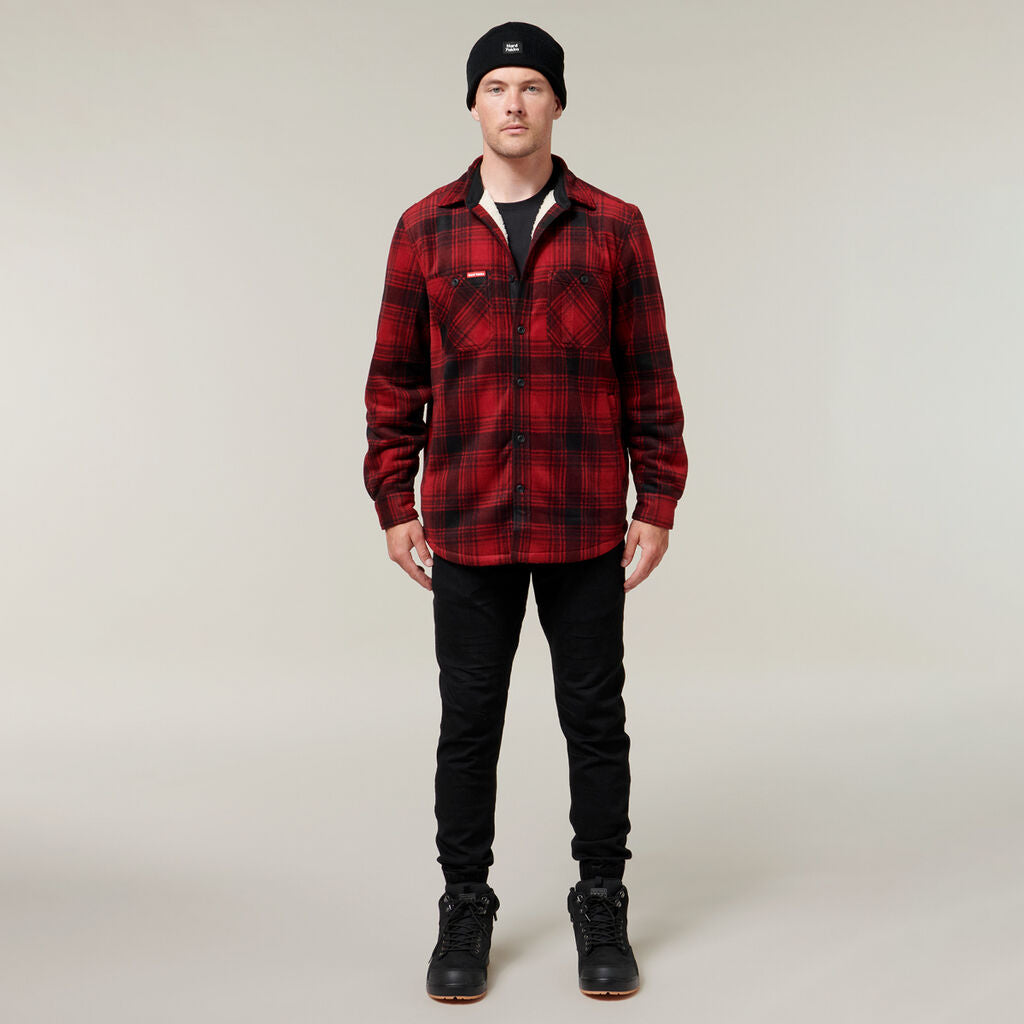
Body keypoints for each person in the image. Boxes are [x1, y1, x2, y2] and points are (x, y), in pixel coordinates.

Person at [362, 21, 687, 1002]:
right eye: (497, 87)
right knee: (469, 722)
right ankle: (465, 903)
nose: (513, 102)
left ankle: (602, 900)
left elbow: (649, 373)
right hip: (466, 520)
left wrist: (658, 496)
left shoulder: (613, 226)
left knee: (594, 718)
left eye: (531, 86)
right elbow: (395, 381)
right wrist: (394, 497)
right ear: (473, 104)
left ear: (557, 103)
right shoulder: (425, 229)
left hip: (583, 519)